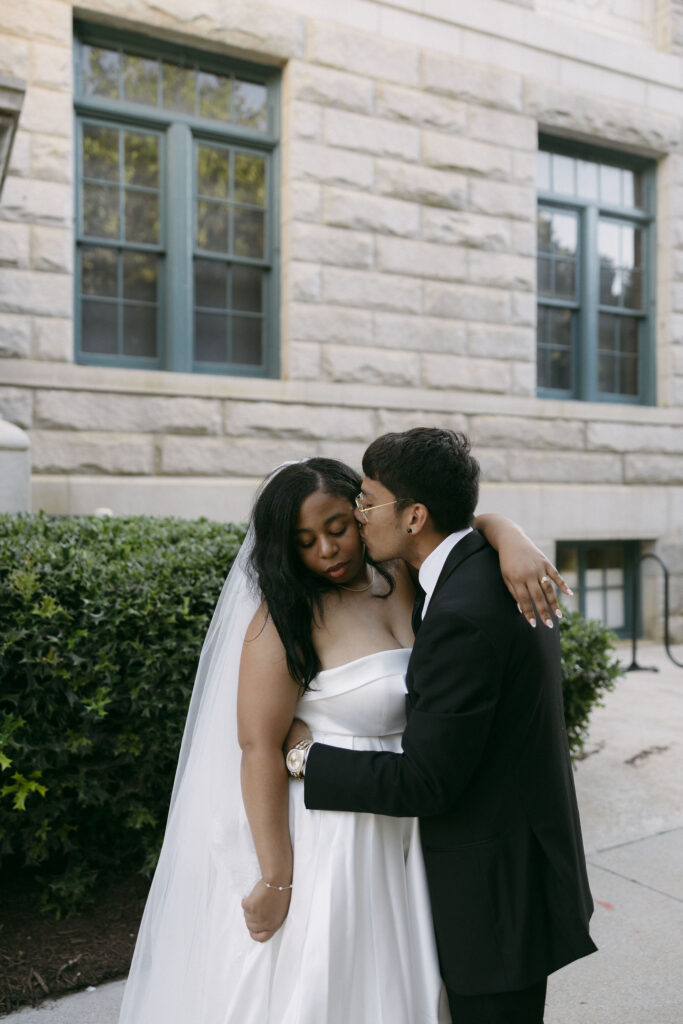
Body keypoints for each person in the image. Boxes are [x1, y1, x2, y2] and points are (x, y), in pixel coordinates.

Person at [119, 455, 569, 1024]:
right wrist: (276, 877)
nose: (327, 551)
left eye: (336, 529)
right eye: (306, 541)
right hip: (339, 832)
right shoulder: (283, 617)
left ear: (363, 513)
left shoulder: (405, 577)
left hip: (421, 816)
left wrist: (509, 532)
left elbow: (452, 530)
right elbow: (259, 748)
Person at [289, 432, 597, 1024]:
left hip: (494, 896)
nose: (357, 514)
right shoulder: (482, 567)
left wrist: (307, 758)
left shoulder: (463, 612)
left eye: (368, 501)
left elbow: (426, 781)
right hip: (517, 862)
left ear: (415, 516)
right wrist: (503, 526)